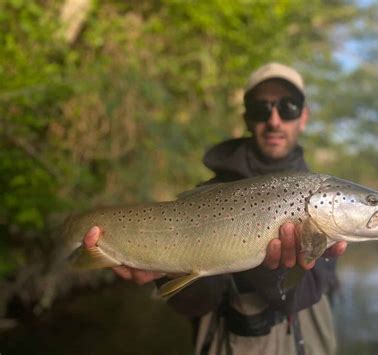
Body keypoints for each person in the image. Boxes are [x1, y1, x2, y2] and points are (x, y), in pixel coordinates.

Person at [83, 63, 347, 354]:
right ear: (247, 118)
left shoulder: (321, 197)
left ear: (304, 117)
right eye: (261, 108)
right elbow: (197, 304)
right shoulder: (206, 195)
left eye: (288, 107)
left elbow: (303, 296)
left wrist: (276, 269)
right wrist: (164, 272)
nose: (274, 120)